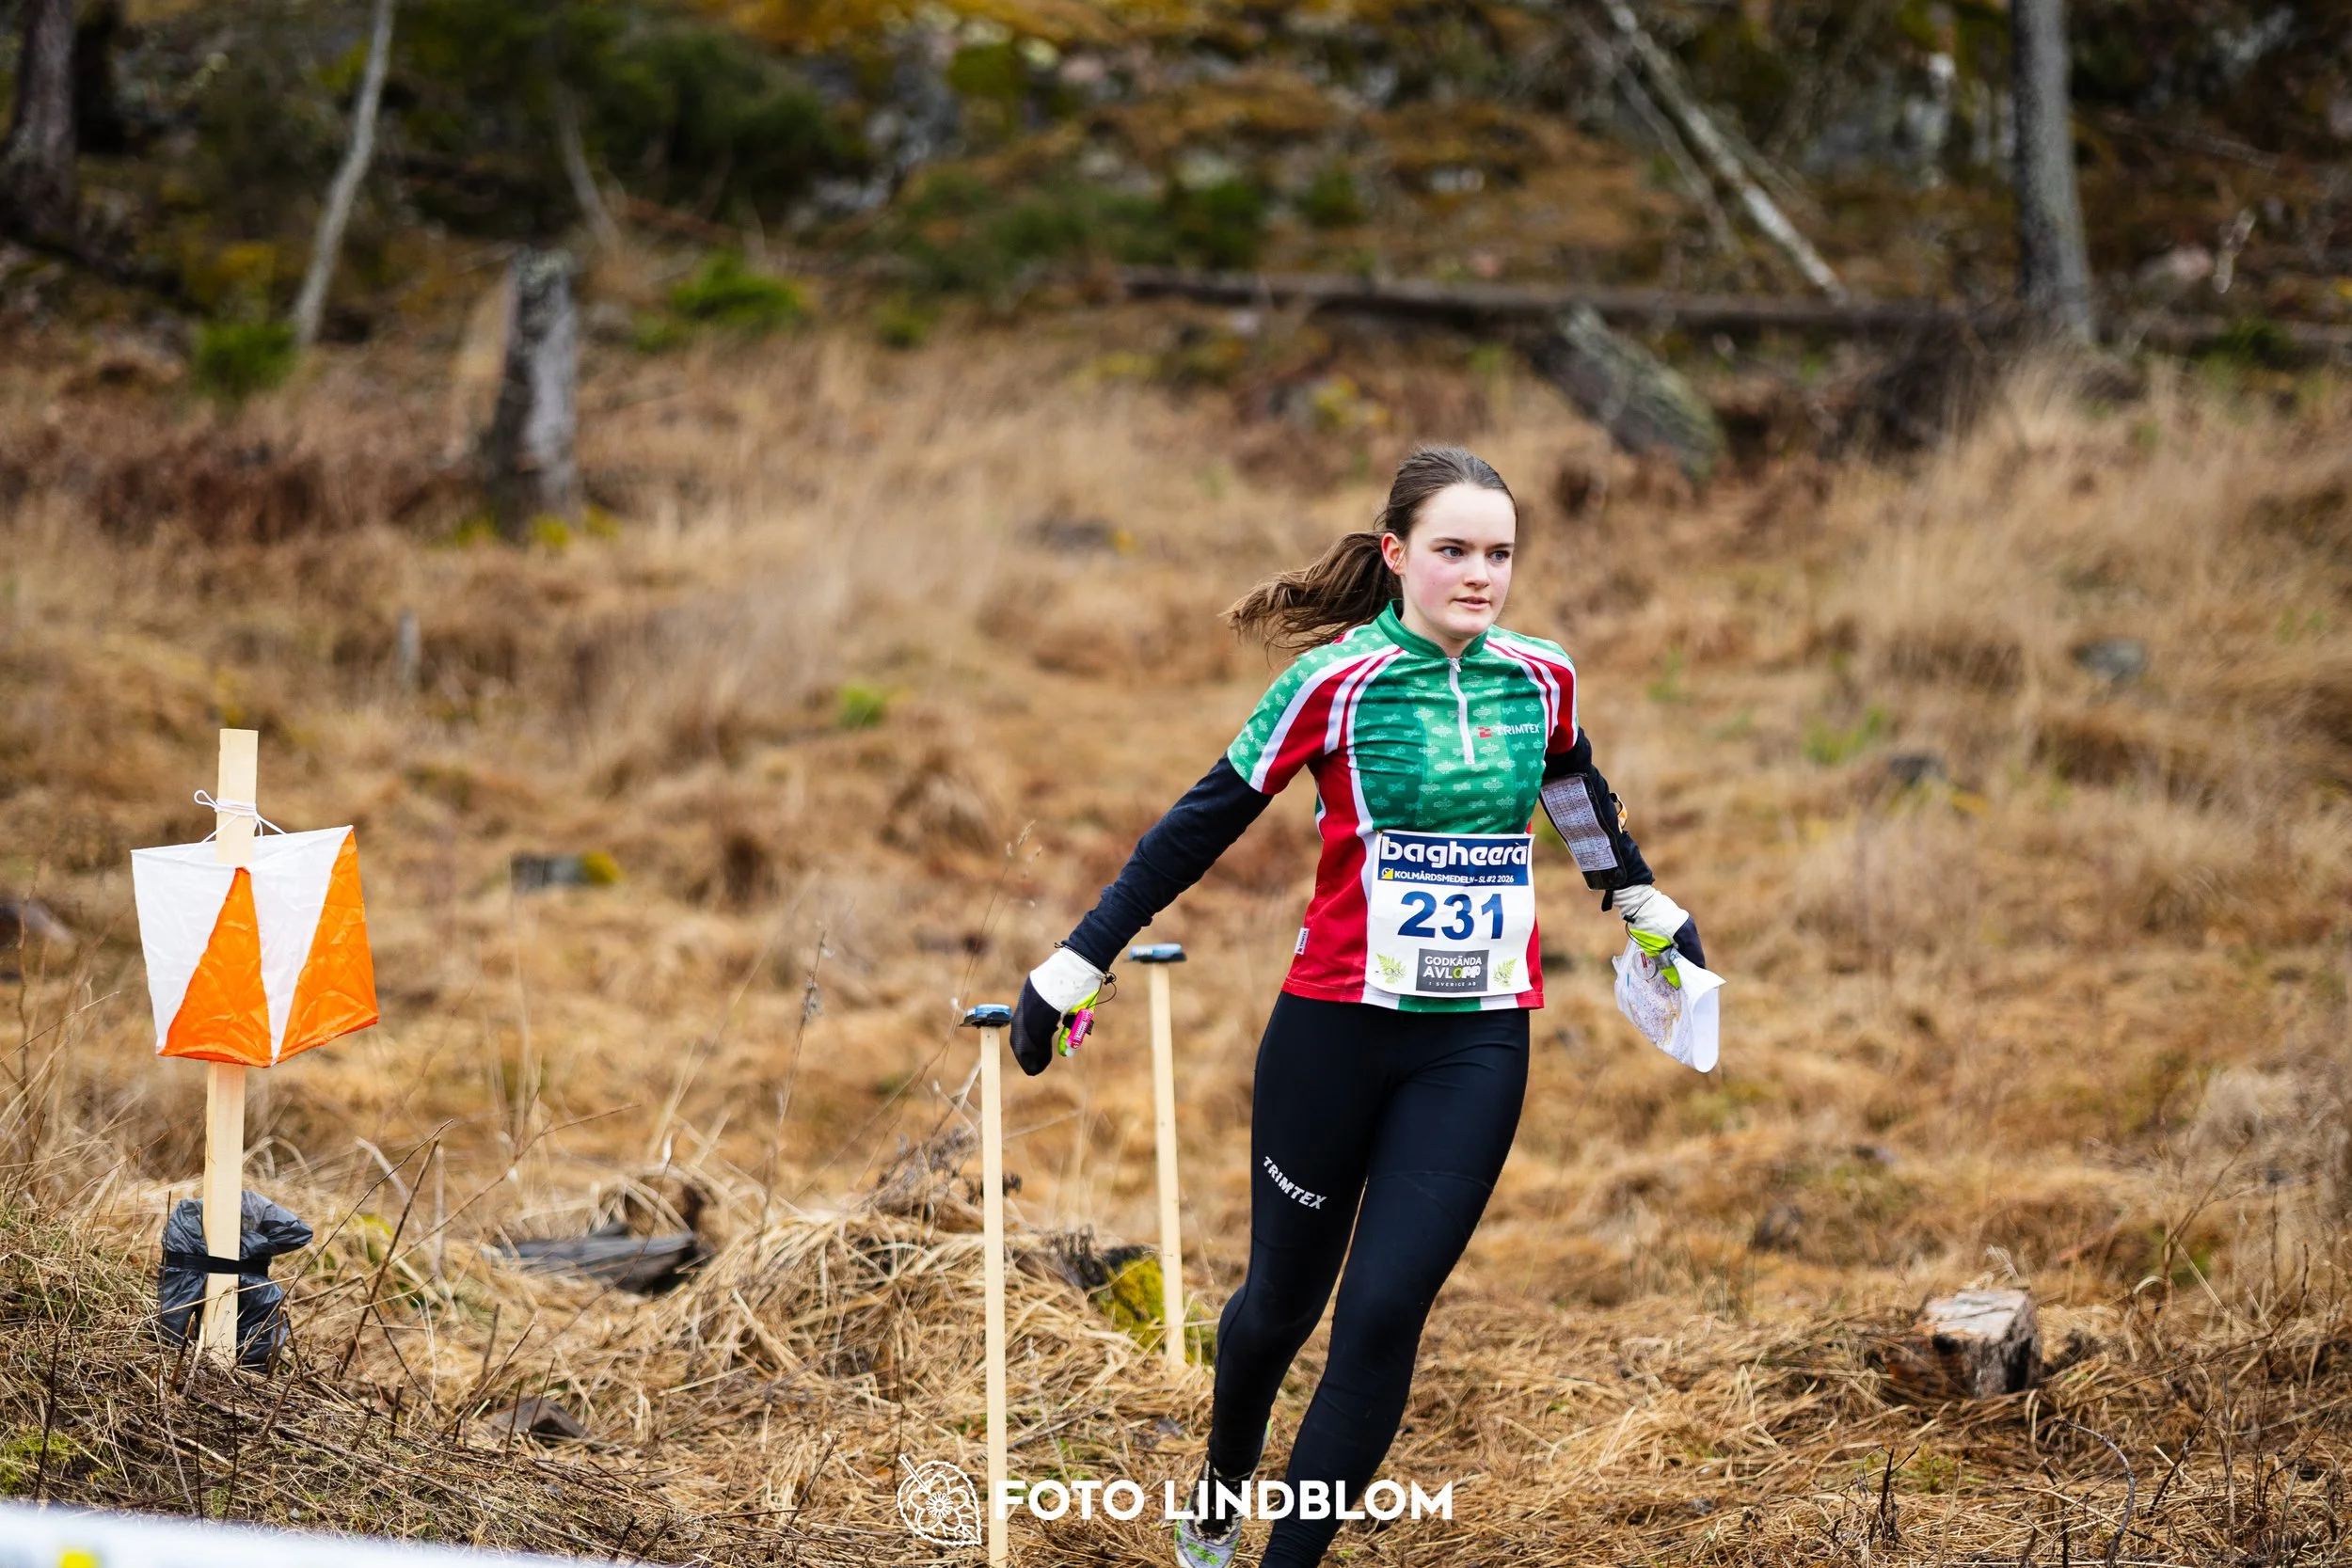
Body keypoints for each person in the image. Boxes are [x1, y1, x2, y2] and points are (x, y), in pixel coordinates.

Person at [1009, 446, 1705, 1568]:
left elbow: (1571, 784)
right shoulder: (1334, 682)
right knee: (1280, 1304)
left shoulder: (1542, 675)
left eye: (1499, 553)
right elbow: (1202, 819)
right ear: (1396, 555)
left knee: (1382, 1313)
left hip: (1476, 1038)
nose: (1480, 575)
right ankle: (1219, 1489)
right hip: (1333, 1027)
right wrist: (1078, 958)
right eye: (1453, 551)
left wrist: (1638, 898)